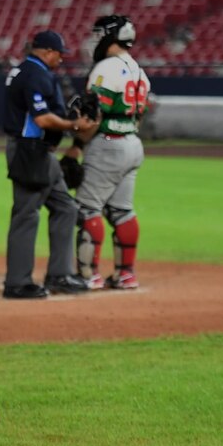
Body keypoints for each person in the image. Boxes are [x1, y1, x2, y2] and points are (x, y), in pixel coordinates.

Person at [2, 30, 97, 299]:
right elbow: (42, 119)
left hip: (41, 152)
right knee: (26, 213)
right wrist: (74, 124)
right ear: (47, 51)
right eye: (59, 54)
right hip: (28, 150)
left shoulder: (28, 70)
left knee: (65, 207)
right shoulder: (34, 73)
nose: (61, 59)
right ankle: (17, 282)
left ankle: (59, 275)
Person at [68, 15, 151, 290]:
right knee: (122, 211)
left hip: (107, 143)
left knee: (86, 208)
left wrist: (77, 145)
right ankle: (126, 274)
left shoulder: (106, 68)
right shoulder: (140, 70)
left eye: (99, 34)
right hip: (132, 141)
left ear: (110, 36)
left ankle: (87, 274)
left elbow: (94, 116)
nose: (95, 39)